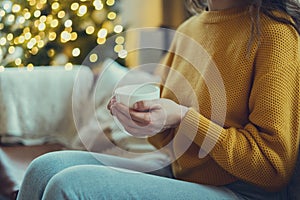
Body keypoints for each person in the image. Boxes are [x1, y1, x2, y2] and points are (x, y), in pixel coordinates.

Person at [16, 0, 300, 199]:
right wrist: (145, 122)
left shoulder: (276, 35)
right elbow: (169, 134)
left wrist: (183, 117)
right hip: (183, 175)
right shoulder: (190, 30)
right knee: (43, 168)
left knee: (67, 186)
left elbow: (273, 167)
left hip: (241, 191)